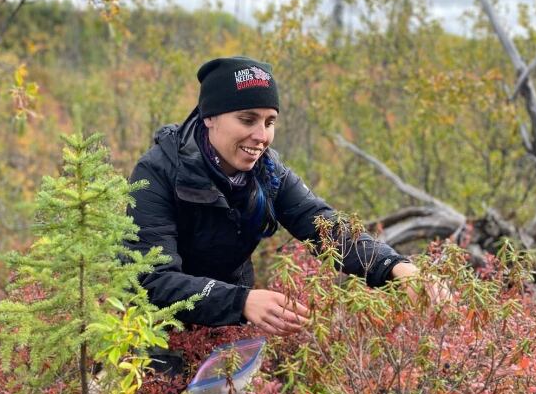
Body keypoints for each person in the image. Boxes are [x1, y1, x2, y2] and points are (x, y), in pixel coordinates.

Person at [127, 56, 420, 341]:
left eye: (269, 122)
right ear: (210, 118)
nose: (261, 136)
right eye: (247, 119)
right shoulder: (158, 172)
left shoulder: (268, 171)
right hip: (153, 328)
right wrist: (240, 301)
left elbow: (322, 224)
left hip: (230, 322)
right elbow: (151, 280)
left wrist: (393, 265)